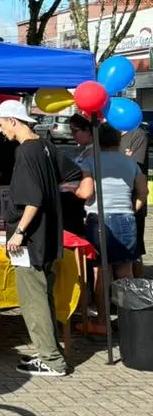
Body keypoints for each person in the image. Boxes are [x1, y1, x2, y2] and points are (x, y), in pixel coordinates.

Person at [0, 100, 89, 377]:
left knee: (33, 299)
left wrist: (19, 232)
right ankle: (49, 352)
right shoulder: (46, 146)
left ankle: (51, 359)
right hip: (48, 234)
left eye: (1, 124)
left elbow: (32, 199)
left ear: (13, 121)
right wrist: (53, 192)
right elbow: (73, 173)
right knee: (43, 294)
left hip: (31, 239)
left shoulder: (25, 151)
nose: (1, 130)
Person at [78, 123, 146, 327]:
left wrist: (74, 190)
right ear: (118, 141)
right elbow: (143, 191)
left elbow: (87, 192)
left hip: (98, 218)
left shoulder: (90, 162)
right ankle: (129, 321)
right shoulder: (130, 163)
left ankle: (102, 320)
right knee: (125, 272)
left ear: (98, 141)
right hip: (125, 218)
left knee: (102, 271)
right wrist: (131, 209)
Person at [120, 119, 149, 274]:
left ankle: (138, 284)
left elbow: (134, 166)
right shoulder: (108, 134)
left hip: (133, 199)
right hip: (115, 201)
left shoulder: (137, 135)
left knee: (135, 249)